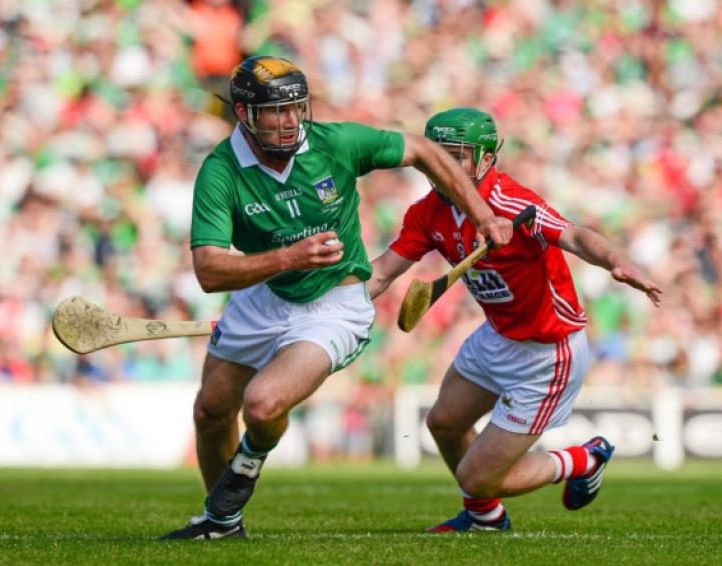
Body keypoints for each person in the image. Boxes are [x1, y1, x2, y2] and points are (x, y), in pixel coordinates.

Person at [161, 58, 513, 540]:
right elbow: (208, 271)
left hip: (336, 303)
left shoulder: (334, 144)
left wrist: (483, 214)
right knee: (210, 410)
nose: (289, 124)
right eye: (274, 112)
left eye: (295, 109)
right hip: (262, 296)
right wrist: (289, 258)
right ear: (243, 113)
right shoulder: (221, 171)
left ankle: (236, 484)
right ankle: (222, 522)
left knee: (262, 407)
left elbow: (425, 150)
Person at [368, 107, 663, 532]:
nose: (446, 166)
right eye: (439, 155)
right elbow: (382, 272)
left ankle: (584, 458)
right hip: (497, 336)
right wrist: (335, 307)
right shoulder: (426, 213)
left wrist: (616, 261)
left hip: (547, 352)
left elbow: (575, 235)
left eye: (458, 155)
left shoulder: (512, 202)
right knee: (443, 423)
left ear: (487, 158)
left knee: (476, 477)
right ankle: (486, 519)